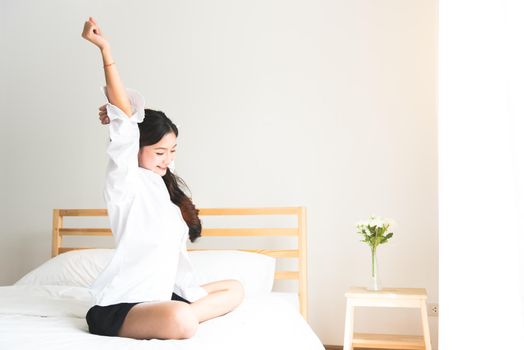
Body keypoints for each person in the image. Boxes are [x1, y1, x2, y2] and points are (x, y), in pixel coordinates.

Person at [81, 17, 244, 340]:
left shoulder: (163, 190)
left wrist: (183, 293)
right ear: (135, 148)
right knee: (183, 320)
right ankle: (177, 316)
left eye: (172, 151)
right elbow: (126, 123)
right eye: (159, 152)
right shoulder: (124, 181)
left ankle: (176, 313)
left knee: (235, 288)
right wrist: (105, 50)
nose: (168, 160)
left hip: (161, 296)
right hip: (121, 305)